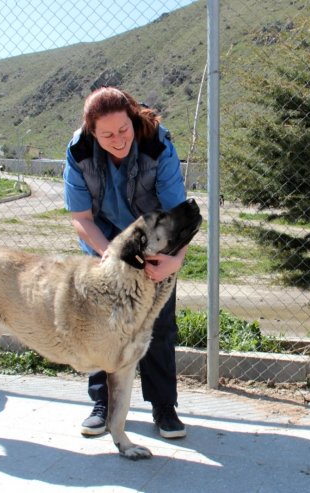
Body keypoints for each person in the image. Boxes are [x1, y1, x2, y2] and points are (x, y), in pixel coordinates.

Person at [63, 86, 188, 439]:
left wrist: (171, 263)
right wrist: (109, 257)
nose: (118, 140)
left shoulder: (157, 144)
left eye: (123, 130)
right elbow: (81, 217)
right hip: (102, 243)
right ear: (92, 132)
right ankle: (102, 405)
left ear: (133, 119)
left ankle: (164, 407)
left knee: (158, 325)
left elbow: (177, 215)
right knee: (100, 325)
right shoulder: (78, 150)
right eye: (107, 134)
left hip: (154, 242)